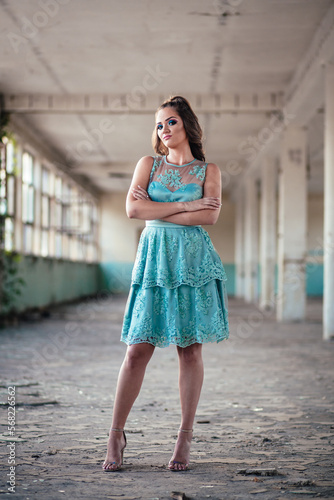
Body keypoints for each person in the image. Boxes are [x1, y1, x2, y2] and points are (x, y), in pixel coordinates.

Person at [103, 95, 229, 472]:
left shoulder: (210, 170)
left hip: (192, 263)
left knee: (189, 350)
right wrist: (187, 206)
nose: (164, 130)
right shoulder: (149, 165)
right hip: (154, 260)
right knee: (137, 349)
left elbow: (210, 218)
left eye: (171, 122)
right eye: (159, 125)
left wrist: (168, 208)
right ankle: (115, 434)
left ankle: (184, 437)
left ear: (187, 125)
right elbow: (133, 210)